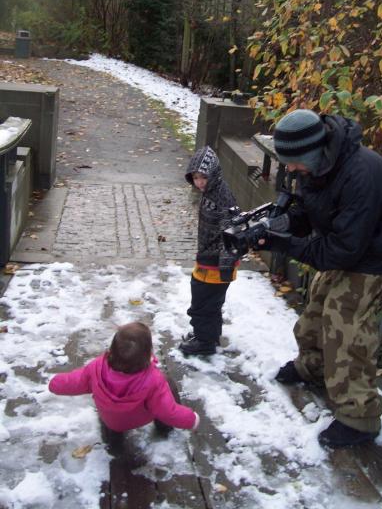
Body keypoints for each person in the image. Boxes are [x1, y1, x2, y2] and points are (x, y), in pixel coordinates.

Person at [257, 109, 382, 447]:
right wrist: (281, 225)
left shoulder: (359, 174)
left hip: (376, 248)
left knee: (345, 319)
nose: (289, 169)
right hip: (350, 239)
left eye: (293, 162)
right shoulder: (320, 164)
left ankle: (360, 418)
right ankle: (313, 367)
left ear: (310, 153)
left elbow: (342, 251)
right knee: (319, 299)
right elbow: (311, 208)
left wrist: (283, 244)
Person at [49, 322, 199, 444]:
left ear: (112, 348)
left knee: (111, 417)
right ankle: (164, 428)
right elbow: (169, 411)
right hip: (139, 418)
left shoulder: (96, 367)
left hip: (111, 420)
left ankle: (113, 440)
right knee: (167, 384)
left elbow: (74, 381)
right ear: (147, 353)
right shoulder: (153, 379)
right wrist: (191, 420)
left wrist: (55, 383)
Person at [179, 145, 239, 356]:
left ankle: (204, 342)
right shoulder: (211, 191)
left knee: (204, 302)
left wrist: (225, 264)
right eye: (195, 178)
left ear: (213, 173)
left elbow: (231, 232)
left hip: (215, 263)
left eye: (203, 177)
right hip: (207, 258)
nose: (199, 182)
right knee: (208, 301)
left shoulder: (222, 197)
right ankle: (207, 335)